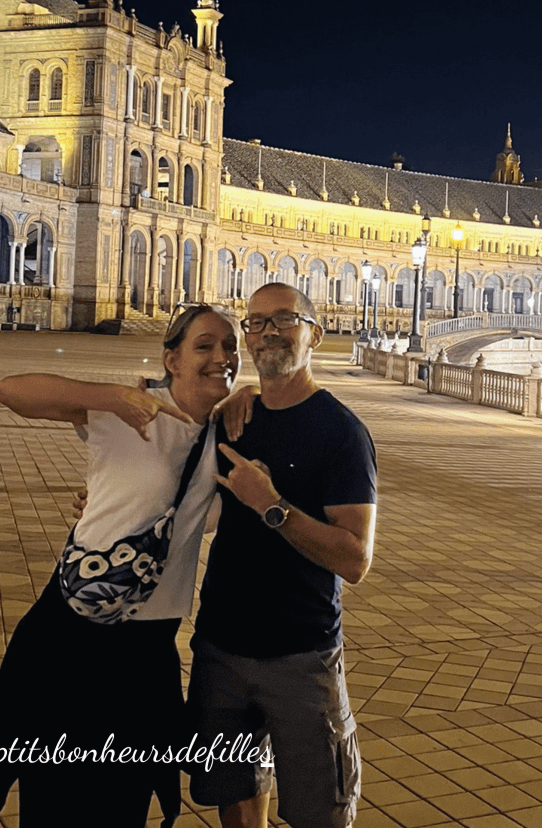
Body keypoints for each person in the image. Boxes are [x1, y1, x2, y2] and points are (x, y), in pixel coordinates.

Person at [0, 306, 246, 828]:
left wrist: (250, 395)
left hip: (146, 653)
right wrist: (109, 395)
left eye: (230, 347)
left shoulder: (228, 438)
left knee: (125, 802)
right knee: (55, 798)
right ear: (170, 358)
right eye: (204, 346)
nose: (222, 357)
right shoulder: (129, 414)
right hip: (70, 637)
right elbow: (10, 391)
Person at [188, 283, 377, 828]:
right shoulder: (234, 418)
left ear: (315, 334)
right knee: (236, 797)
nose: (268, 330)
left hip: (300, 654)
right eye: (256, 322)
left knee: (320, 810)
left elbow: (355, 559)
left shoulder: (342, 433)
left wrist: (273, 507)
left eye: (285, 319)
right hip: (221, 645)